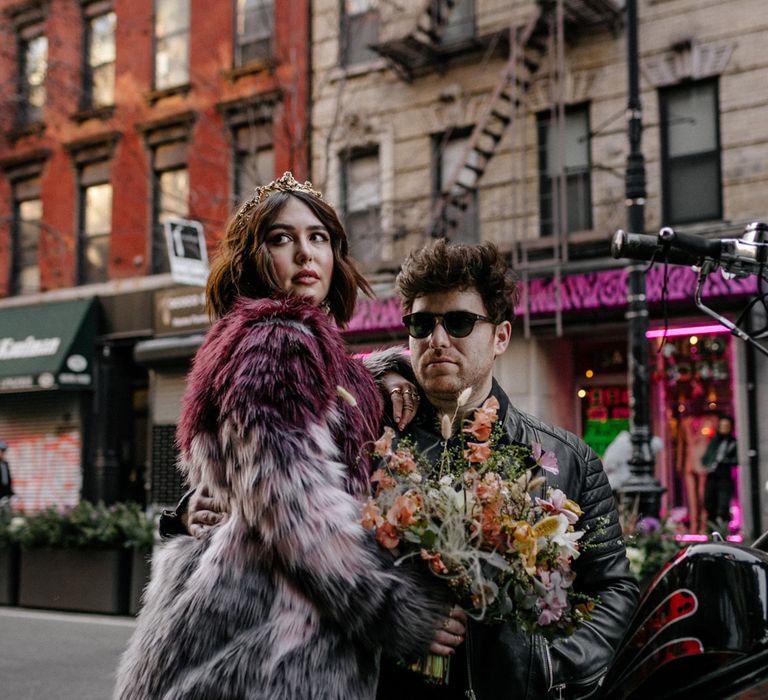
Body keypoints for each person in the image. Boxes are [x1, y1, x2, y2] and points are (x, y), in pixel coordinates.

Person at [114, 173, 451, 700]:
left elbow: (301, 419)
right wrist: (400, 613)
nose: (305, 254)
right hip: (269, 652)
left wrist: (380, 369)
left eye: (318, 237)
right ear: (255, 257)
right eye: (282, 238)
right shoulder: (279, 340)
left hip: (235, 626)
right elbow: (297, 515)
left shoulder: (270, 339)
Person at [365, 240, 639, 699]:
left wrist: (550, 667)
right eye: (420, 323)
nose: (437, 340)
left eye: (458, 322)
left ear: (501, 336)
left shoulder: (567, 459)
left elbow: (614, 589)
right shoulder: (366, 446)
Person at [702, 414, 738, 527]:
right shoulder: (714, 441)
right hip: (712, 475)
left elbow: (736, 459)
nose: (724, 428)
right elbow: (706, 457)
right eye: (722, 426)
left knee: (723, 504)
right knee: (709, 502)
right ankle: (711, 527)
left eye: (726, 426)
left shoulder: (733, 442)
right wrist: (709, 464)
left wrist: (727, 461)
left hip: (724, 475)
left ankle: (723, 527)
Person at [0, 441, 12, 514]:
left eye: (4, 451)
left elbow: (8, 478)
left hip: (5, 493)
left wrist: (10, 491)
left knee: (6, 513)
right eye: (1, 451)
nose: (3, 453)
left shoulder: (5, 463)